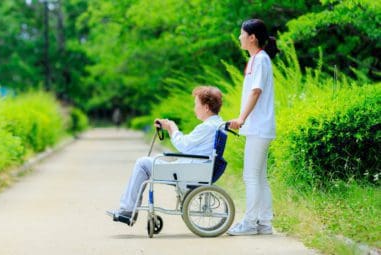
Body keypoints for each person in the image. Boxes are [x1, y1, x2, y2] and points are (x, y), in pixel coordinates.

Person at [108, 86, 223, 222]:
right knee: (150, 161)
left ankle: (127, 209)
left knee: (142, 163)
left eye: (196, 104)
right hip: (195, 167)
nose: (194, 108)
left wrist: (172, 128)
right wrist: (170, 129)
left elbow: (184, 145)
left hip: (189, 172)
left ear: (206, 107)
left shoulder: (207, 127)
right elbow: (190, 147)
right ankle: (128, 208)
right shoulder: (217, 123)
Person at [226, 19, 279, 236]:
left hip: (258, 128)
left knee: (251, 177)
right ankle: (264, 223)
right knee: (259, 177)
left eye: (241, 34)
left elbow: (255, 91)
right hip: (260, 128)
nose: (239, 37)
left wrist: (241, 119)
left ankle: (249, 223)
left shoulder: (260, 60)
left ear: (252, 37)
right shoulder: (257, 59)